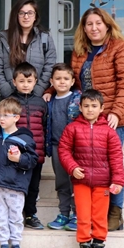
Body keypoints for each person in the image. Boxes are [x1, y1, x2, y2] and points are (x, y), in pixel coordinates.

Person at [52, 7, 124, 231]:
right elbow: (73, 83)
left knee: (111, 166)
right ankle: (91, 212)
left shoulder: (120, 48)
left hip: (111, 118)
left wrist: (116, 112)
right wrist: (52, 90)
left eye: (98, 23)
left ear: (107, 25)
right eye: (89, 24)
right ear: (84, 28)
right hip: (88, 118)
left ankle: (115, 214)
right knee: (93, 166)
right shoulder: (80, 50)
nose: (94, 28)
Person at [58, 89, 124, 248]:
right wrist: (72, 167)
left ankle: (99, 245)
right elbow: (64, 150)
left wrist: (118, 180)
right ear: (80, 107)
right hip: (81, 180)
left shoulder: (109, 131)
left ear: (101, 108)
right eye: (86, 106)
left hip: (103, 182)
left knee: (100, 215)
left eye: (94, 106)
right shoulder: (72, 127)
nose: (90, 109)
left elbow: (116, 156)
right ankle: (84, 245)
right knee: (83, 214)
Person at [0, 98, 38, 248]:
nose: (2, 119)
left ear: (16, 118)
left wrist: (19, 158)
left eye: (6, 115)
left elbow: (33, 160)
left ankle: (16, 244)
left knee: (15, 216)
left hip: (15, 185)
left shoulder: (24, 138)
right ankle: (4, 244)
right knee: (0, 216)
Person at [6, 62, 48, 230]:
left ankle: (30, 214)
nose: (25, 85)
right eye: (21, 81)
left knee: (33, 186)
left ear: (35, 82)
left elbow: (45, 127)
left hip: (36, 153)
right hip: (15, 153)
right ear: (14, 82)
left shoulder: (40, 103)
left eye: (29, 81)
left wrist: (45, 148)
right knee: (15, 185)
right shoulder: (9, 102)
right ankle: (13, 215)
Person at [0, 0, 57, 99]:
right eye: (21, 13)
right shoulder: (4, 38)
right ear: (16, 16)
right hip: (9, 100)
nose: (26, 17)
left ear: (35, 16)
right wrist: (9, 94)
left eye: (30, 13)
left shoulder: (45, 38)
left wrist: (37, 93)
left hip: (36, 99)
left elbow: (49, 69)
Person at [45, 63, 82, 230]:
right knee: (61, 182)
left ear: (73, 81)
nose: (62, 82)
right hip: (56, 146)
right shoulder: (49, 100)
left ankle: (77, 215)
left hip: (74, 149)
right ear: (51, 81)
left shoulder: (78, 99)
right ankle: (64, 213)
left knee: (75, 182)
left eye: (66, 79)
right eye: (58, 79)